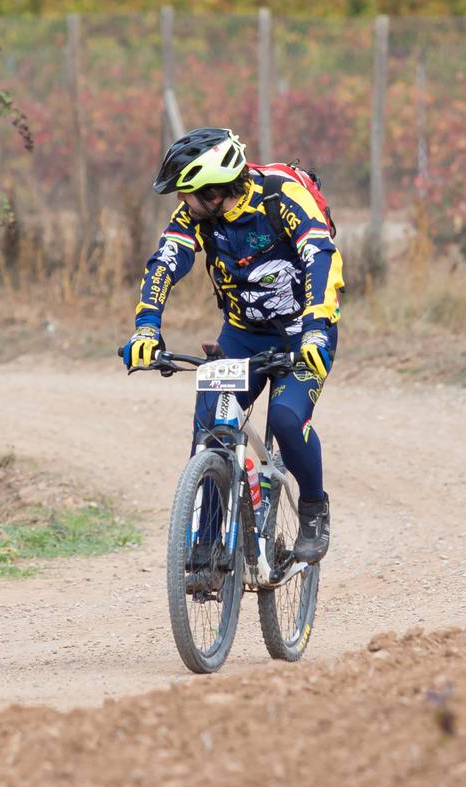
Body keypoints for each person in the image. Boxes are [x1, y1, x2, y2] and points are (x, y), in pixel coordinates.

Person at [127, 127, 335, 564]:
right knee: (210, 428)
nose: (182, 204)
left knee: (286, 415)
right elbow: (167, 260)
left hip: (303, 330)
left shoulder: (279, 197)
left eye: (187, 193)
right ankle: (205, 547)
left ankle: (314, 507)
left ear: (215, 189)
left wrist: (317, 327)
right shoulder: (199, 216)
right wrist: (147, 326)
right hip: (242, 333)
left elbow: (319, 255)